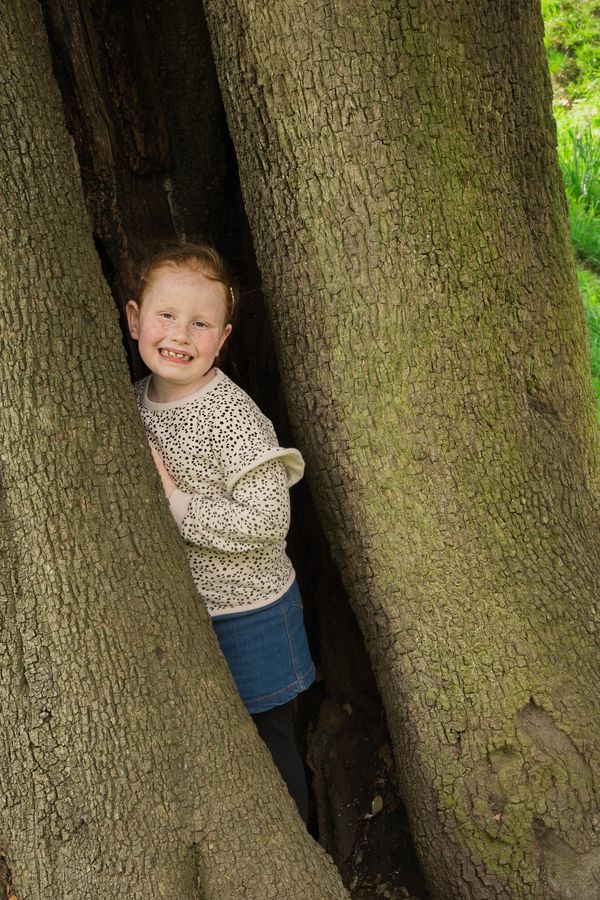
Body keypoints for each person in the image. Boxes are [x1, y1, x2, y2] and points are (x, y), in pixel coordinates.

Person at [126, 242, 315, 822]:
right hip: (186, 614)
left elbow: (267, 520)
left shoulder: (229, 415)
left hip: (249, 613)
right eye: (165, 316)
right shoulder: (134, 400)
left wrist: (177, 504)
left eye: (200, 323)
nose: (180, 335)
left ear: (224, 336)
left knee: (269, 747)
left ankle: (296, 854)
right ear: (134, 318)